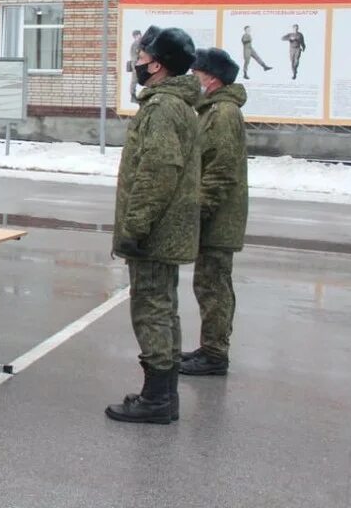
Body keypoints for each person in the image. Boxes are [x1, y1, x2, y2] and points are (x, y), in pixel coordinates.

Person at [106, 26, 200, 425]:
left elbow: (159, 170)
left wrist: (135, 227)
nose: (137, 64)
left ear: (158, 65)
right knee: (164, 309)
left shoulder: (162, 107)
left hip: (154, 232)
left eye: (142, 59)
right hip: (167, 229)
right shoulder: (177, 104)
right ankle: (163, 394)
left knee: (152, 310)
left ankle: (157, 399)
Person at [182, 48, 248, 377]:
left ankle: (215, 354)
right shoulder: (212, 110)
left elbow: (221, 170)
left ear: (212, 79)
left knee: (214, 285)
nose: (193, 79)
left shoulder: (223, 113)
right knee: (207, 284)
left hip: (219, 218)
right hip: (216, 216)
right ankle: (210, 347)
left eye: (197, 74)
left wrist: (201, 210)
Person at [127, 29, 142, 102]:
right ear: (135, 36)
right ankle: (133, 96)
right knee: (135, 79)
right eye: (138, 35)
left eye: (139, 35)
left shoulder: (138, 43)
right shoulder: (136, 44)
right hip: (136, 63)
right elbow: (136, 55)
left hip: (137, 63)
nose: (139, 36)